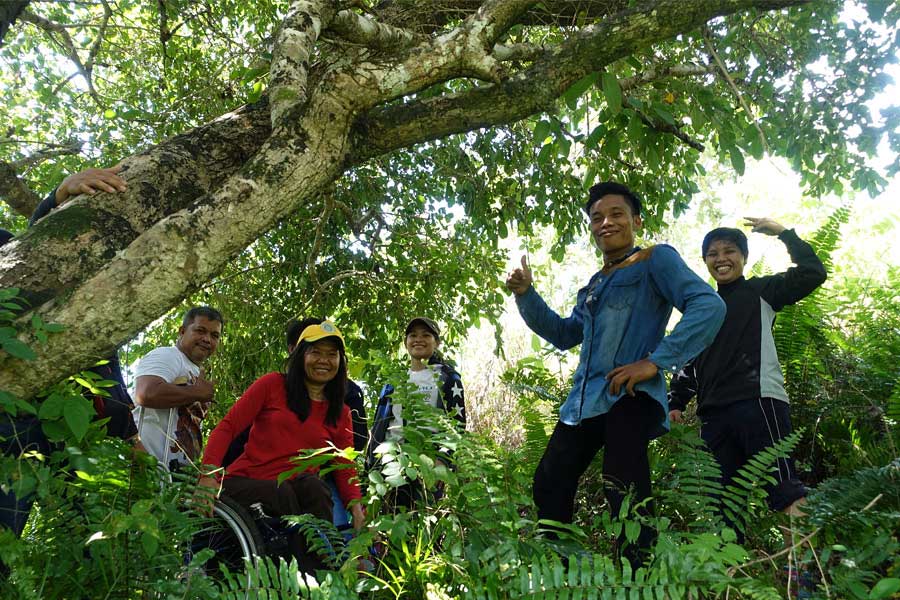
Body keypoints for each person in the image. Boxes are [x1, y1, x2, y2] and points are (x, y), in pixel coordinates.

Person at [505, 181, 725, 566]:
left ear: (636, 221)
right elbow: (563, 334)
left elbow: (707, 304)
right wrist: (527, 294)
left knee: (623, 483)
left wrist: (656, 361)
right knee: (549, 481)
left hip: (630, 396)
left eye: (616, 214)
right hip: (582, 404)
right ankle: (563, 573)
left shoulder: (656, 260)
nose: (605, 222)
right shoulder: (593, 285)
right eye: (597, 217)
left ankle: (637, 577)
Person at [668, 218, 826, 525]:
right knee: (724, 503)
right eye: (713, 254)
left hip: (759, 402)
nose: (721, 258)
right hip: (713, 415)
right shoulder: (701, 307)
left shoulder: (761, 291)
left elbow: (813, 273)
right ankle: (732, 572)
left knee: (783, 488)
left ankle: (803, 571)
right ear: (705, 262)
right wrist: (676, 402)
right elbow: (688, 359)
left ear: (743, 257)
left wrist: (784, 232)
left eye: (730, 251)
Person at [200, 320, 365, 574]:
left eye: (332, 354)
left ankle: (321, 577)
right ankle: (292, 575)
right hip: (244, 482)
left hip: (294, 487)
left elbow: (344, 465)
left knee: (317, 488)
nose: (324, 360)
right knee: (283, 492)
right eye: (316, 352)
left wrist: (356, 508)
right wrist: (208, 475)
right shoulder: (272, 385)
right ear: (300, 356)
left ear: (340, 362)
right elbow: (228, 427)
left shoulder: (341, 412)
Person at [367, 317, 465, 509]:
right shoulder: (395, 379)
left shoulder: (447, 378)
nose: (418, 339)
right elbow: (381, 423)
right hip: (390, 461)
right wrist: (371, 460)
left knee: (423, 523)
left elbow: (457, 426)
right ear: (405, 342)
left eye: (426, 335)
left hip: (428, 462)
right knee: (390, 519)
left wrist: (442, 460)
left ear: (436, 342)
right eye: (413, 335)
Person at [133, 306, 223, 472]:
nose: (207, 339)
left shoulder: (196, 371)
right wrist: (197, 393)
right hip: (144, 469)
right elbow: (145, 393)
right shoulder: (168, 355)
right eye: (200, 331)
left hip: (172, 479)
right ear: (182, 331)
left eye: (214, 335)